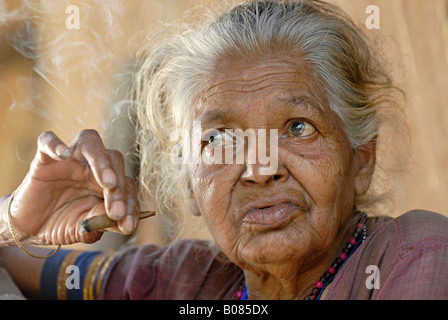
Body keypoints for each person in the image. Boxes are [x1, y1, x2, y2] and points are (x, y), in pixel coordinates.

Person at [1, 0, 448, 300]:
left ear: (361, 158)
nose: (259, 168)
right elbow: (10, 258)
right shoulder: (186, 281)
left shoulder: (415, 259)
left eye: (297, 128)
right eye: (218, 140)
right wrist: (15, 220)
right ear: (191, 185)